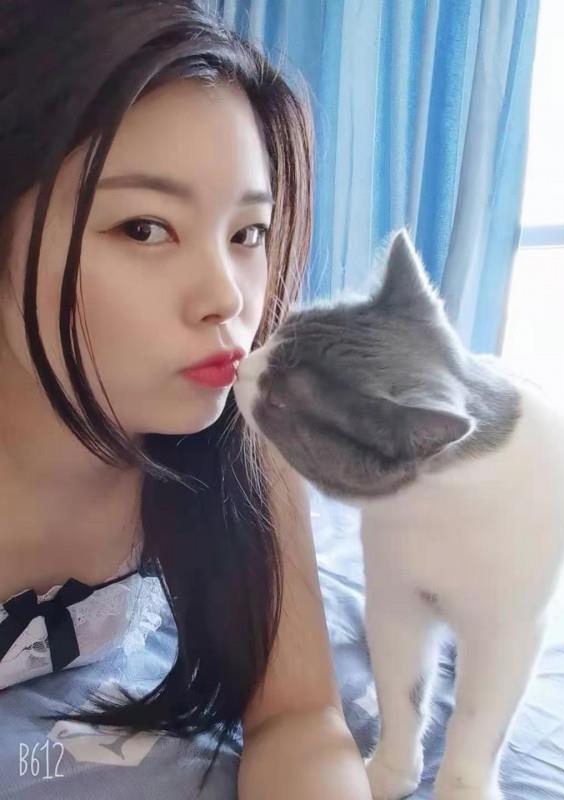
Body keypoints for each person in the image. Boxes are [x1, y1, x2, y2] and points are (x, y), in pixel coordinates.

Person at [0, 2, 372, 798]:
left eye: (247, 233)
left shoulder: (249, 438)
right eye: (144, 228)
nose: (226, 298)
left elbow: (299, 719)